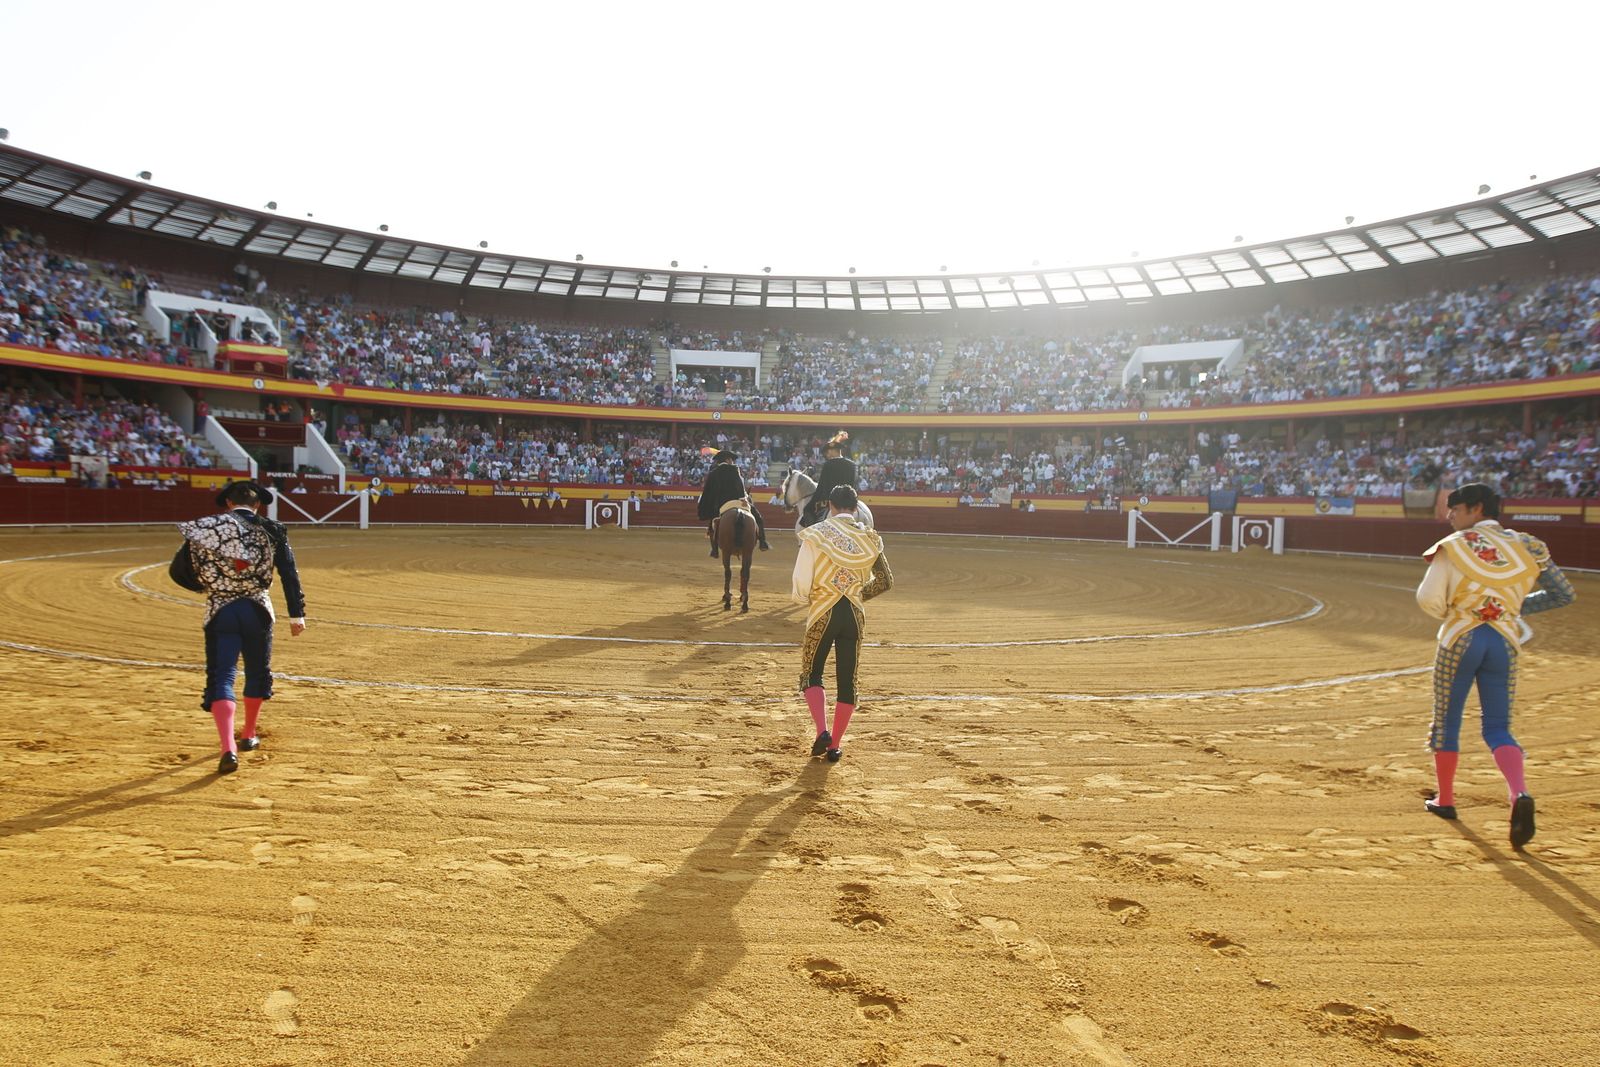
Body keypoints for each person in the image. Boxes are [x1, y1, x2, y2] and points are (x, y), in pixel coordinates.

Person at [1416, 482, 1575, 848]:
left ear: (1476, 508)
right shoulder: (1529, 546)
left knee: (1447, 719)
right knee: (1499, 726)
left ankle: (1446, 800)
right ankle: (1519, 793)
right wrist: (1512, 609)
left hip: (1461, 637)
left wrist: (1456, 613)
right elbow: (1563, 593)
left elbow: (1428, 599)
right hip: (1504, 641)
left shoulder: (1454, 547)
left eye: (1454, 509)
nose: (1449, 516)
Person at [177, 480, 307, 774]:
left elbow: (180, 570)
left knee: (222, 675)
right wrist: (296, 614)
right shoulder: (272, 530)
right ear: (258, 505)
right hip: (257, 609)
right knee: (257, 672)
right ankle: (248, 735)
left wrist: (207, 586)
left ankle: (228, 747)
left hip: (220, 608)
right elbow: (289, 573)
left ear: (228, 504)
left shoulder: (205, 529)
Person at [791, 485, 892, 763]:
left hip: (824, 610)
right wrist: (857, 593)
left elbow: (801, 582)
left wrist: (806, 598)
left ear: (831, 507)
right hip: (854, 616)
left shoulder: (817, 534)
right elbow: (886, 581)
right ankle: (834, 746)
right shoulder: (869, 537)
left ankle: (822, 731)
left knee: (812, 673)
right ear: (856, 508)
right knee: (848, 683)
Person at [696, 449, 770, 557]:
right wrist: (743, 499)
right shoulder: (735, 470)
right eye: (732, 460)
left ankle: (714, 550)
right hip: (737, 502)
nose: (733, 462)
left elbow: (708, 492)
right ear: (728, 459)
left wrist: (707, 508)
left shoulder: (713, 474)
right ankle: (763, 542)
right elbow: (740, 487)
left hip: (720, 506)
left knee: (712, 525)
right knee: (758, 518)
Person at [800, 430, 857, 528]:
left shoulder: (828, 465)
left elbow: (822, 487)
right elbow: (853, 485)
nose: (827, 455)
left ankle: (814, 533)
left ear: (832, 451)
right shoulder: (852, 465)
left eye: (828, 452)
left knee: (807, 509)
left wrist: (814, 499)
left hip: (831, 499)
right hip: (850, 499)